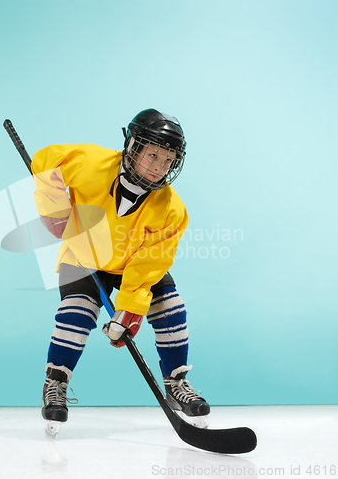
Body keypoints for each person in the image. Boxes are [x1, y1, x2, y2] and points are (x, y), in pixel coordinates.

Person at [31, 109, 210, 430]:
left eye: (168, 160)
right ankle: (55, 384)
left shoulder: (171, 209)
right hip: (84, 256)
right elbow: (46, 160)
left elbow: (150, 264)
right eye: (152, 154)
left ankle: (175, 383)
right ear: (132, 147)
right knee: (77, 313)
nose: (158, 166)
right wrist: (54, 207)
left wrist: (128, 311)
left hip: (132, 267)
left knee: (170, 308)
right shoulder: (91, 164)